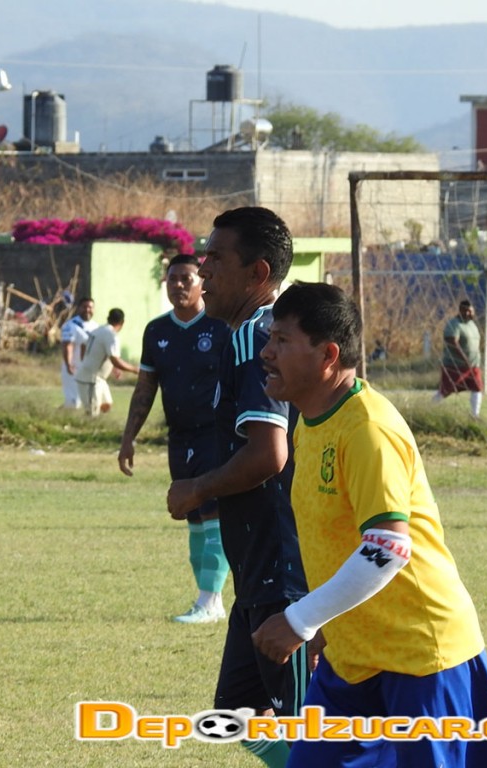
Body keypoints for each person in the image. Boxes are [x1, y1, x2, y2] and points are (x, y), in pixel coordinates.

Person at [252, 282, 487, 768]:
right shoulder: (311, 421)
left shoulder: (368, 428)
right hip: (353, 658)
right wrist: (326, 626)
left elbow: (387, 549)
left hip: (419, 656)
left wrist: (301, 620)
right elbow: (334, 537)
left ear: (328, 355)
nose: (267, 352)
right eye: (270, 338)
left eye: (282, 340)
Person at [166, 207, 308, 768]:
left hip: (285, 570)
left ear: (258, 272)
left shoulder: (258, 336)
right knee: (237, 715)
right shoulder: (251, 334)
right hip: (258, 568)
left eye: (216, 258)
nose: (202, 269)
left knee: (307, 733)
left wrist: (198, 488)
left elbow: (270, 453)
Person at [118, 255, 231, 624]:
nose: (178, 285)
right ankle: (209, 600)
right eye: (172, 279)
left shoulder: (221, 327)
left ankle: (210, 600)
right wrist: (128, 437)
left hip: (215, 435)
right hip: (179, 438)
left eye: (186, 278)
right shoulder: (156, 331)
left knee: (213, 513)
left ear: (202, 283)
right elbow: (145, 387)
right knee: (193, 516)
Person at [74, 308, 138, 416]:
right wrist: (134, 369)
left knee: (106, 405)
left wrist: (87, 361)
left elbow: (84, 345)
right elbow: (115, 360)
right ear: (122, 322)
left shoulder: (99, 330)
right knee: (92, 413)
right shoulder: (111, 335)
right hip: (91, 380)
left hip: (98, 379)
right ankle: (83, 425)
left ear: (108, 319)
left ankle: (101, 423)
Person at [431, 299, 483, 418]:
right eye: (467, 311)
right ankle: (428, 408)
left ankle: (475, 416)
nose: (470, 314)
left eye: (471, 311)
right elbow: (451, 341)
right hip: (455, 365)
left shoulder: (472, 325)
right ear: (461, 310)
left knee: (477, 387)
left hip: (473, 365)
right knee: (446, 391)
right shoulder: (454, 324)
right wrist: (464, 358)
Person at [60, 297, 97, 409]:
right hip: (74, 367)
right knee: (74, 403)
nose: (87, 310)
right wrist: (69, 364)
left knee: (90, 402)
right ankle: (58, 416)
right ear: (79, 308)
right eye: (84, 307)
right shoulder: (71, 325)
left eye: (90, 307)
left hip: (89, 369)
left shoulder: (96, 326)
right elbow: (68, 345)